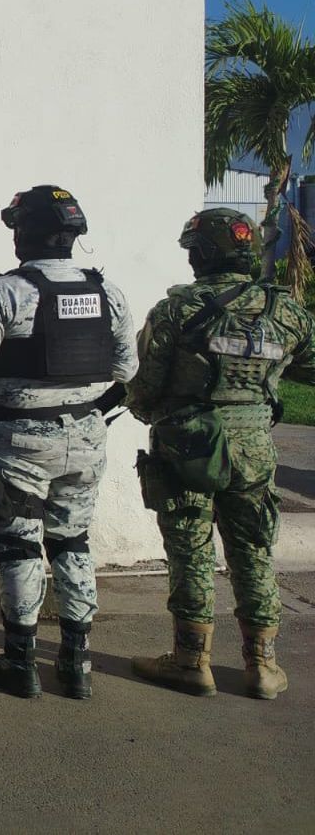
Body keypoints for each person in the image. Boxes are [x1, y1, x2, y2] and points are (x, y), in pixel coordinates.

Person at [0, 185, 137, 699]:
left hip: (20, 438)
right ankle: (76, 662)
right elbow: (126, 368)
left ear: (24, 234)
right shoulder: (108, 293)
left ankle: (20, 662)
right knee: (73, 541)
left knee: (19, 543)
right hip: (87, 435)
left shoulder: (5, 293)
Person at [127, 208, 315, 699]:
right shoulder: (285, 310)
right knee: (253, 549)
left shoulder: (175, 310)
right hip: (255, 448)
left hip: (188, 447)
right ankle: (264, 667)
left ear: (201, 256)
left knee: (191, 550)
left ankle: (192, 661)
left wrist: (153, 410)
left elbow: (143, 391)